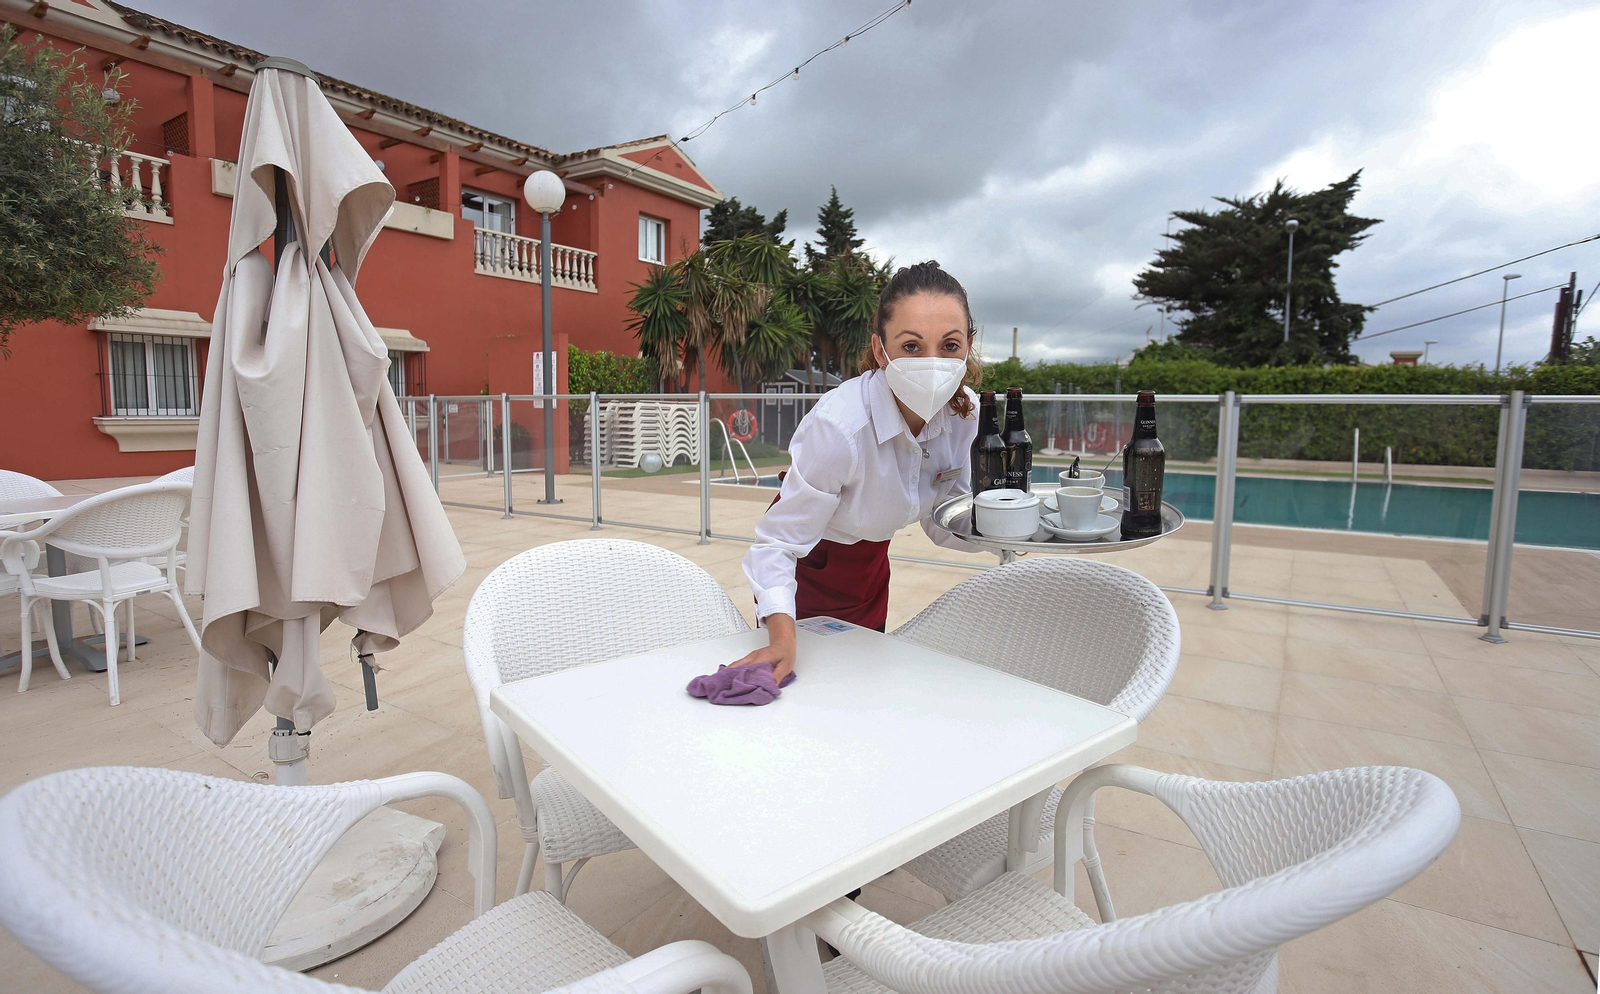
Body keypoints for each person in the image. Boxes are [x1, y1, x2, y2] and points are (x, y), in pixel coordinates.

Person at [734, 260, 982, 683]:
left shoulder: (966, 415)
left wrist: (1011, 529)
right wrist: (780, 638)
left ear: (968, 347)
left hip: (871, 570)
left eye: (950, 345)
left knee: (861, 689)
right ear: (880, 348)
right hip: (812, 568)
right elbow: (776, 545)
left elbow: (945, 523)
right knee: (809, 697)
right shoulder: (841, 427)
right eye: (911, 346)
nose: (933, 362)